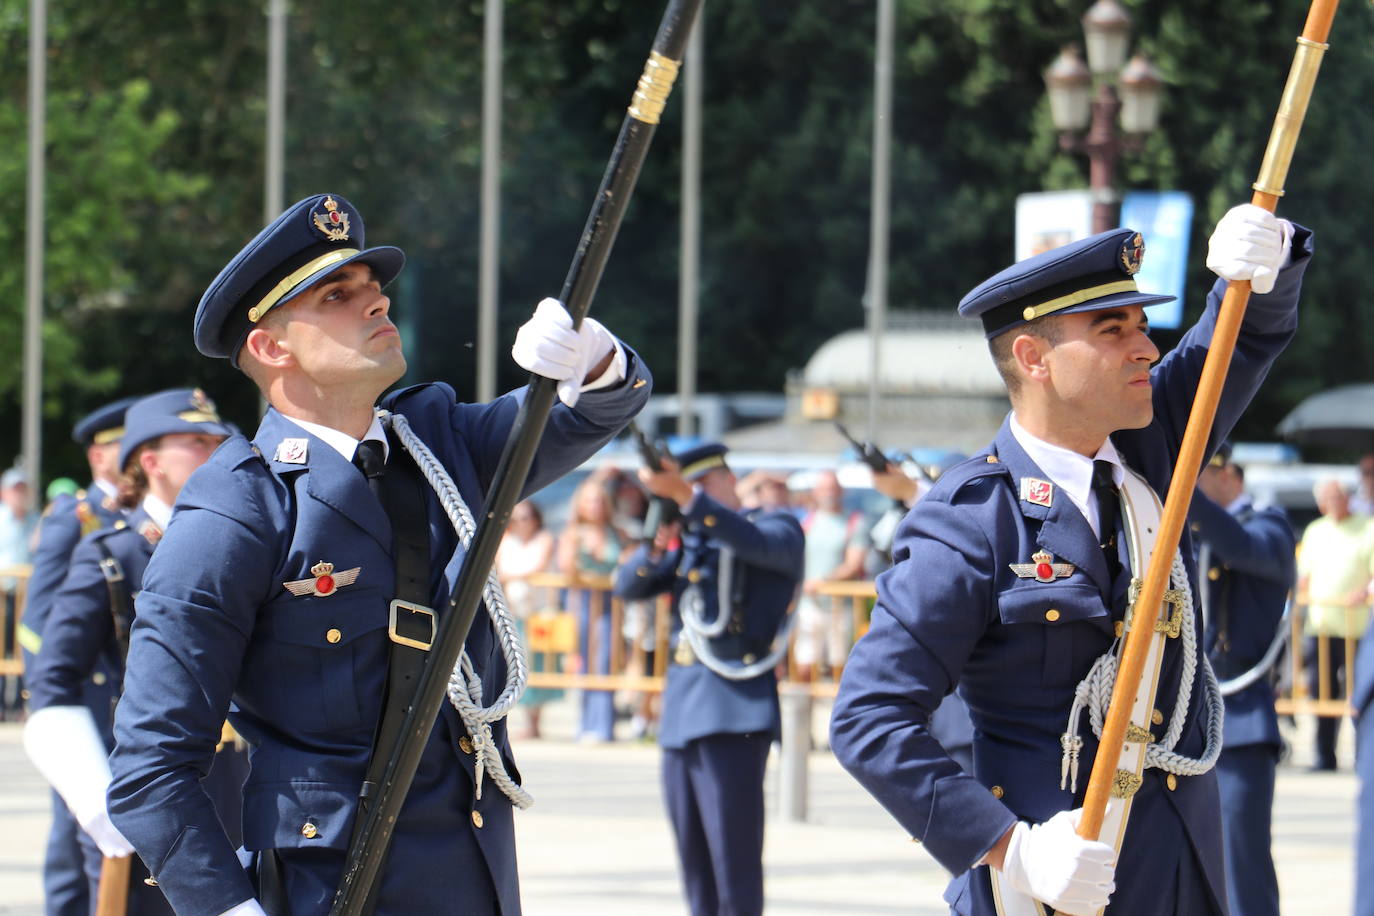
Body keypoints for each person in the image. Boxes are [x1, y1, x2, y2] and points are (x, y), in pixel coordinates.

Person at [105, 193, 651, 916]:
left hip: (473, 871)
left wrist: (594, 357)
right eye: (338, 295)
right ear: (272, 347)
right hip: (334, 884)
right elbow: (151, 769)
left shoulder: (441, 444)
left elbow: (593, 409)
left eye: (373, 288)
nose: (376, 302)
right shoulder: (234, 512)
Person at [829, 204, 1310, 915]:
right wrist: (1006, 846)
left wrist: (1271, 256)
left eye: (1142, 327)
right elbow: (869, 718)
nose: (1145, 349)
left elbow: (1241, 335)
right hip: (1055, 881)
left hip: (1183, 870)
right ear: (1034, 358)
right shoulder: (973, 519)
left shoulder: (1148, 454)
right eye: (1113, 332)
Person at [24, 388, 246, 915]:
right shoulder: (114, 553)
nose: (215, 450)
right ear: (150, 461)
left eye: (218, 439)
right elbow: (53, 683)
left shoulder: (244, 542)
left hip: (237, 792)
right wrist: (97, 798)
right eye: (195, 441)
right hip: (143, 795)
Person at [614, 442, 804, 916]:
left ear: (725, 480)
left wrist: (690, 501)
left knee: (732, 860)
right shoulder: (694, 539)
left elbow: (758, 547)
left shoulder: (773, 525)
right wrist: (660, 537)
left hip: (733, 706)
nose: (690, 496)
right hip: (683, 709)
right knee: (694, 862)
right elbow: (629, 586)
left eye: (699, 486)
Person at [16, 397, 134, 916]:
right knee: (75, 833)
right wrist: (48, 694)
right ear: (97, 457)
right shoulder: (75, 517)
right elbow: (36, 620)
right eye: (120, 445)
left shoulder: (141, 513)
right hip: (83, 698)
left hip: (125, 697)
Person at [1190, 441, 1295, 916]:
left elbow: (1239, 547)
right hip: (1195, 717)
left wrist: (1181, 490)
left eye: (1201, 474)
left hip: (1242, 717)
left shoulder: (1269, 526)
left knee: (1242, 866)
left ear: (1228, 474)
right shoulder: (1195, 534)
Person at [1296, 478, 1373, 770]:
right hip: (1322, 626)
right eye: (1329, 497)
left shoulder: (1368, 528)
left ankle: (1362, 756)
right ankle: (1323, 755)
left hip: (1357, 627)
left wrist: (1364, 591)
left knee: (1360, 693)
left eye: (1338, 496)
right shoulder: (1316, 531)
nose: (1334, 501)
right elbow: (1304, 573)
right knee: (1322, 692)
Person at [793, 470, 868, 681]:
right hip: (809, 606)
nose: (829, 493)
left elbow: (853, 564)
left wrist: (823, 583)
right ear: (815, 492)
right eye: (824, 489)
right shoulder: (807, 522)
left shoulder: (854, 522)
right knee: (804, 668)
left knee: (840, 669)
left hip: (840, 608)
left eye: (832, 488)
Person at [495, 500, 559, 739]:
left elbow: (537, 567)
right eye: (517, 518)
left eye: (527, 517)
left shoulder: (545, 539)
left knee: (538, 666)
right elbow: (497, 568)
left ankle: (535, 722)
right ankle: (522, 720)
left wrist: (509, 576)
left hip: (539, 612)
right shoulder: (506, 540)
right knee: (514, 666)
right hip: (513, 612)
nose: (522, 523)